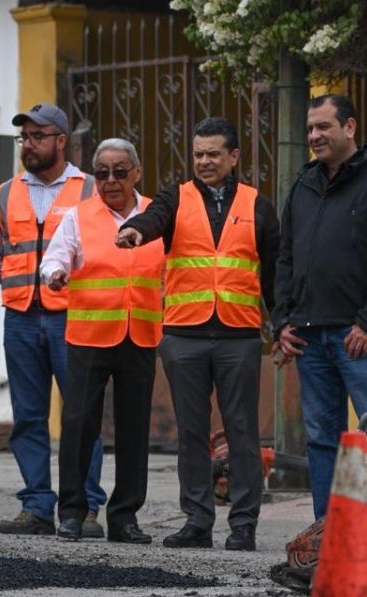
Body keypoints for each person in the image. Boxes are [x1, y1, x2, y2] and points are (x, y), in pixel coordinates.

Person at [117, 117, 280, 551]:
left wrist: (282, 324)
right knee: (190, 431)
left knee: (242, 430)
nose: (204, 161)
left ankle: (243, 524)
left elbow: (276, 273)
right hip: (184, 334)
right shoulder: (176, 197)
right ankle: (197, 522)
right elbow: (154, 217)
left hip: (238, 334)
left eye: (213, 154)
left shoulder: (257, 204)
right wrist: (135, 229)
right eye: (198, 154)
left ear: (234, 157)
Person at [272, 95, 367, 520]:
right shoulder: (304, 184)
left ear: (349, 127)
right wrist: (282, 321)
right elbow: (285, 257)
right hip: (310, 337)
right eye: (310, 128)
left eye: (323, 127)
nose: (314, 136)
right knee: (320, 439)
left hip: (359, 338)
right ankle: (327, 535)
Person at [0, 103, 107, 536]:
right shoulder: (3, 192)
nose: (29, 145)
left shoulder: (90, 190)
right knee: (29, 416)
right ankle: (36, 506)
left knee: (82, 414)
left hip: (74, 318)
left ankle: (86, 507)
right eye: (24, 138)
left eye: (38, 137)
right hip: (19, 318)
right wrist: (23, 286)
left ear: (61, 141)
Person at [42, 138, 162, 544]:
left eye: (120, 171)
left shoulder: (154, 216)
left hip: (140, 335)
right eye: (102, 173)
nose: (111, 180)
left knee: (133, 429)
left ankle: (125, 517)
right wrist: (55, 274)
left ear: (137, 173)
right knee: (78, 425)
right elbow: (54, 257)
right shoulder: (79, 216)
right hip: (90, 335)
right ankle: (73, 512)